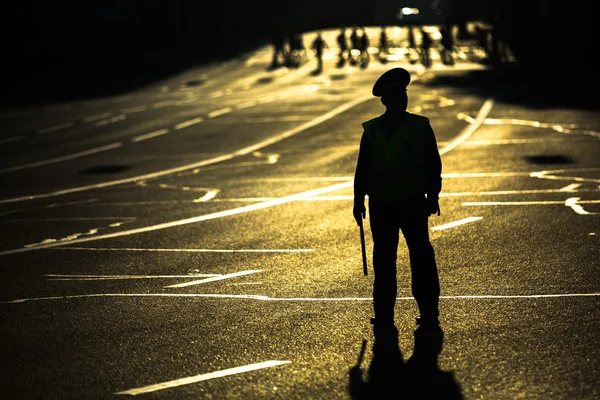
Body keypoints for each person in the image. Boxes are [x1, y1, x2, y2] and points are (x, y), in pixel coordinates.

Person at [353, 68, 442, 329]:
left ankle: (429, 312)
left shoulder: (419, 125)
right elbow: (362, 168)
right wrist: (358, 200)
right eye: (395, 94)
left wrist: (433, 194)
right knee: (384, 260)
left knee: (421, 257)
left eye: (403, 92)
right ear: (385, 100)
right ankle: (383, 315)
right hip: (381, 205)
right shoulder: (370, 130)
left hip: (413, 202)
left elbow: (433, 163)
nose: (402, 98)